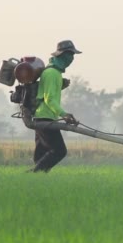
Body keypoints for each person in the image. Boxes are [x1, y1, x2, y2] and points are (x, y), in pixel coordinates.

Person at [28, 40, 81, 173]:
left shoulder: (53, 73)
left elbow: (47, 94)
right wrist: (64, 114)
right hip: (45, 118)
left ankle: (34, 181)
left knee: (41, 154)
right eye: (70, 55)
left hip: (42, 117)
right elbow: (49, 99)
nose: (72, 59)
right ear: (62, 55)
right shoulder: (52, 73)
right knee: (59, 151)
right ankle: (33, 174)